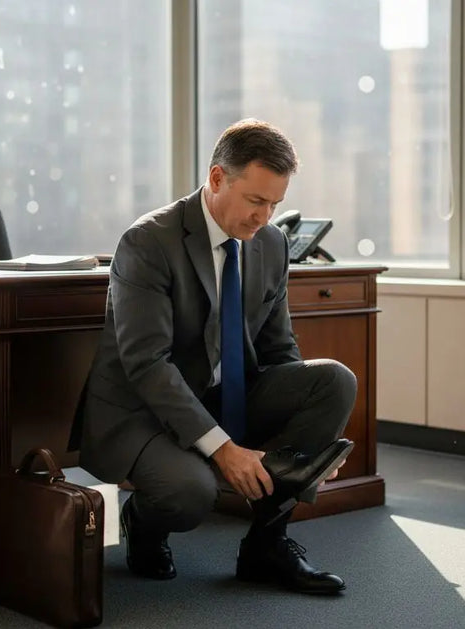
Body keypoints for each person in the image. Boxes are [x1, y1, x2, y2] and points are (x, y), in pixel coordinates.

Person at [71, 119, 357, 595]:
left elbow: (278, 348)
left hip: (225, 394)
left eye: (274, 204)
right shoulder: (148, 241)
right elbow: (146, 364)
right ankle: (140, 522)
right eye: (255, 201)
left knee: (334, 380)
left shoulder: (271, 243)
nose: (264, 217)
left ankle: (267, 545)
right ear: (218, 178)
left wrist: (308, 449)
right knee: (190, 494)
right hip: (147, 411)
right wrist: (224, 450)